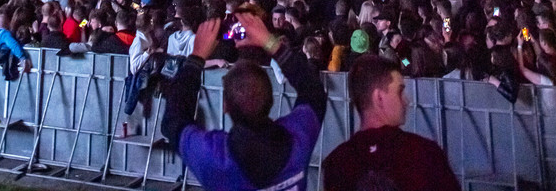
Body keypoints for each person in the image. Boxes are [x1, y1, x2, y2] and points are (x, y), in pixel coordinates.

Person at [162, 12, 327, 191]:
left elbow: (174, 119)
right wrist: (270, 43)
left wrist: (197, 56)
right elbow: (313, 91)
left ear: (225, 105)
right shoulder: (298, 139)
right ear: (270, 100)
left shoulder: (213, 157)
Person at [322, 55, 460, 191]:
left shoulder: (337, 163)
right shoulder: (423, 153)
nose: (406, 101)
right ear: (379, 98)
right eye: (400, 92)